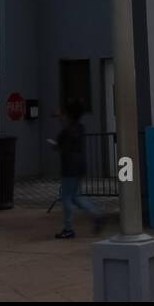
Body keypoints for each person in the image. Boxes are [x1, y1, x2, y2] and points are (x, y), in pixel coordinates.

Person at [52, 100, 103, 239]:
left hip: (69, 166)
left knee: (67, 197)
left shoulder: (67, 131)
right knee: (76, 196)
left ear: (68, 115)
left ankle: (68, 228)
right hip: (80, 165)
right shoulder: (80, 128)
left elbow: (62, 145)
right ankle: (94, 213)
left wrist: (57, 145)